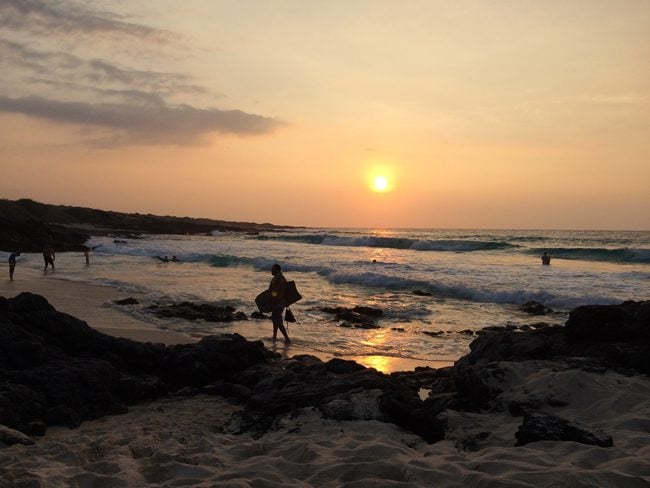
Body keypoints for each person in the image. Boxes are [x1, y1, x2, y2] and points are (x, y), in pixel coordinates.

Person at [269, 263, 291, 343]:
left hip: (278, 303)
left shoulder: (278, 279)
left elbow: (275, 292)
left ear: (277, 270)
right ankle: (274, 336)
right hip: (280, 302)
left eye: (273, 269)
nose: (271, 270)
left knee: (277, 321)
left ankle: (287, 338)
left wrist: (273, 301)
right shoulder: (280, 278)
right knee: (275, 320)